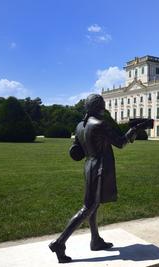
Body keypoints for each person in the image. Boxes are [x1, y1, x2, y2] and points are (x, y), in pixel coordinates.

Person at [49, 94, 137, 263]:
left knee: (93, 206)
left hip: (89, 166)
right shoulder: (101, 124)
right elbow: (120, 143)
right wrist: (133, 132)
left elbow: (76, 150)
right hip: (100, 168)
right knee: (88, 207)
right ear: (99, 107)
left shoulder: (80, 126)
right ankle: (59, 243)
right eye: (103, 106)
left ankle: (95, 240)